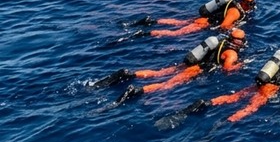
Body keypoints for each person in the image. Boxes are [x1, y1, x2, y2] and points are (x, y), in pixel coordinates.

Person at [102, 29, 247, 104]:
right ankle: (139, 90)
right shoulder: (232, 54)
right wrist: (241, 65)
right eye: (242, 39)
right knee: (167, 84)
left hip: (192, 63)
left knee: (159, 72)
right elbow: (227, 70)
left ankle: (132, 74)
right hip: (197, 69)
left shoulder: (221, 41)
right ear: (238, 41)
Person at [143, 0, 256, 38]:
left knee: (181, 22)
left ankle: (153, 21)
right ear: (243, 2)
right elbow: (224, 26)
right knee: (176, 33)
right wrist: (234, 27)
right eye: (250, 3)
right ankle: (148, 33)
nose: (251, 5)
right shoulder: (235, 12)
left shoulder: (235, 2)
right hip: (204, 24)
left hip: (204, 19)